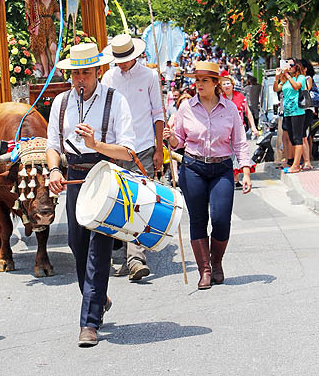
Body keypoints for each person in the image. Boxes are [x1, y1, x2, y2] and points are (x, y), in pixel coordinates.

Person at [46, 43, 135, 347]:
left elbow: (127, 150)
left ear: (98, 71)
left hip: (106, 176)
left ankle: (89, 323)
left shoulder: (116, 100)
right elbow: (52, 145)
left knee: (99, 248)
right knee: (76, 242)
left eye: (85, 72)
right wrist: (54, 171)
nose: (79, 79)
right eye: (74, 73)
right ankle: (97, 295)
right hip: (73, 176)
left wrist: (96, 144)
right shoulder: (60, 103)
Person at [163, 61, 252, 290]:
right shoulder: (186, 108)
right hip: (193, 167)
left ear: (215, 83)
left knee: (222, 219)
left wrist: (245, 172)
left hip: (222, 168)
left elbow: (240, 143)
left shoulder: (230, 109)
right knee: (198, 220)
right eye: (197, 80)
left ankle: (217, 262)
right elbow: (179, 142)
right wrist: (171, 137)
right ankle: (204, 270)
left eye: (204, 80)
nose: (199, 84)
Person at [102, 34, 164, 281]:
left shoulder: (149, 76)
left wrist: (160, 149)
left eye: (126, 59)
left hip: (144, 148)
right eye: (119, 60)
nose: (123, 64)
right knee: (117, 202)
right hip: (116, 149)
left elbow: (158, 113)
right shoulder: (108, 78)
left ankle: (136, 258)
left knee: (140, 203)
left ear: (135, 56)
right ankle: (125, 252)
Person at [220, 75, 258, 189]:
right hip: (225, 130)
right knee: (229, 154)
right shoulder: (219, 99)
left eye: (228, 83)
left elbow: (248, 113)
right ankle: (233, 178)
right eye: (224, 84)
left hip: (239, 129)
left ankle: (237, 178)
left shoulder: (240, 97)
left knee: (239, 152)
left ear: (232, 84)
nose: (226, 86)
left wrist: (254, 128)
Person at [20, 0, 61, 77]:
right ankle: (46, 72)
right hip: (39, 26)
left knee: (53, 49)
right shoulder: (35, 2)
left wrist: (64, 23)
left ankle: (57, 70)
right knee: (42, 50)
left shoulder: (52, 1)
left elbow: (57, 14)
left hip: (50, 25)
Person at [273, 59, 307, 174]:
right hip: (287, 112)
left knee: (298, 138)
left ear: (296, 66)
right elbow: (276, 89)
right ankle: (294, 163)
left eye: (291, 65)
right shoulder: (285, 79)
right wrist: (277, 77)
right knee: (292, 138)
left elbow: (297, 87)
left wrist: (287, 75)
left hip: (297, 112)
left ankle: (297, 165)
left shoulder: (301, 77)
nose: (289, 67)